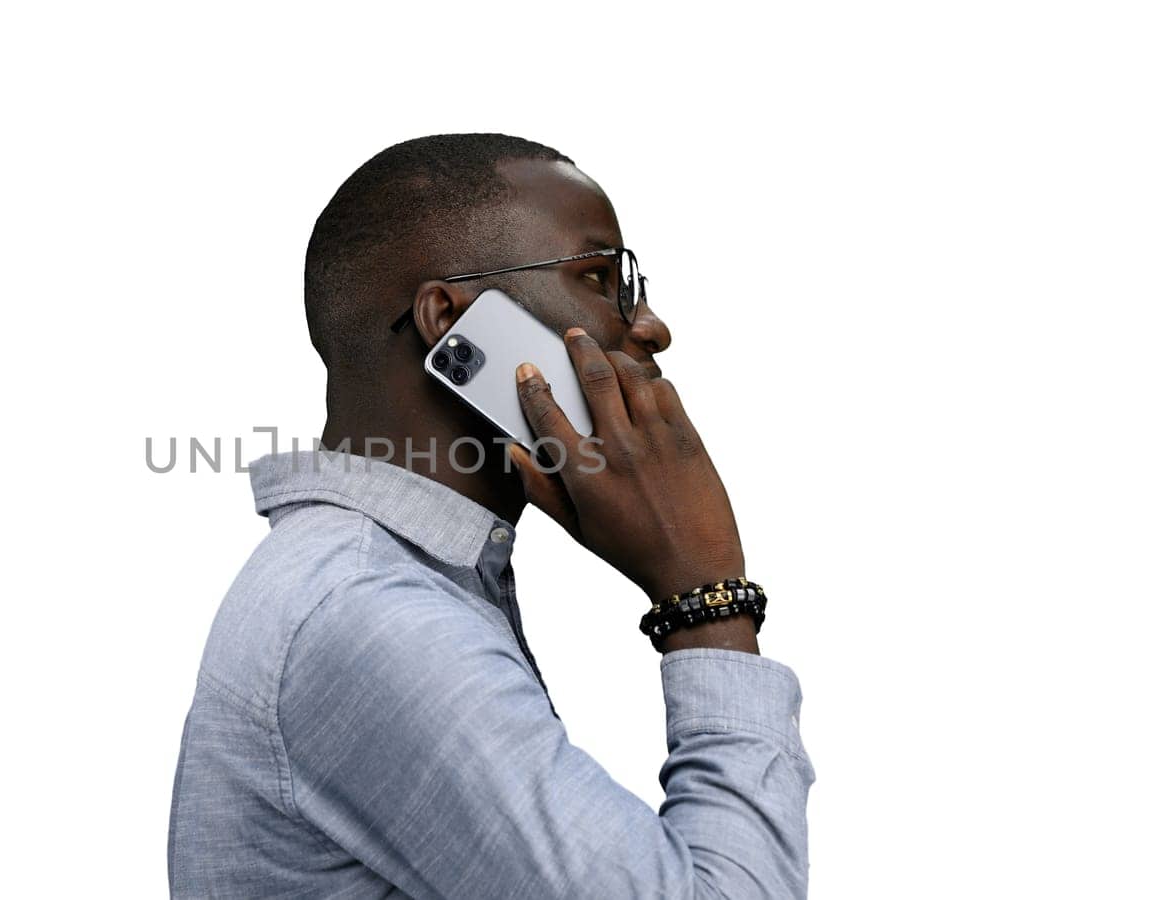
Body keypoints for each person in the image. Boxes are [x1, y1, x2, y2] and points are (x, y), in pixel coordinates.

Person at [166, 133, 815, 898]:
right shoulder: (371, 615)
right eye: (601, 277)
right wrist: (707, 596)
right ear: (451, 320)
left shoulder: (389, 582)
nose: (649, 325)